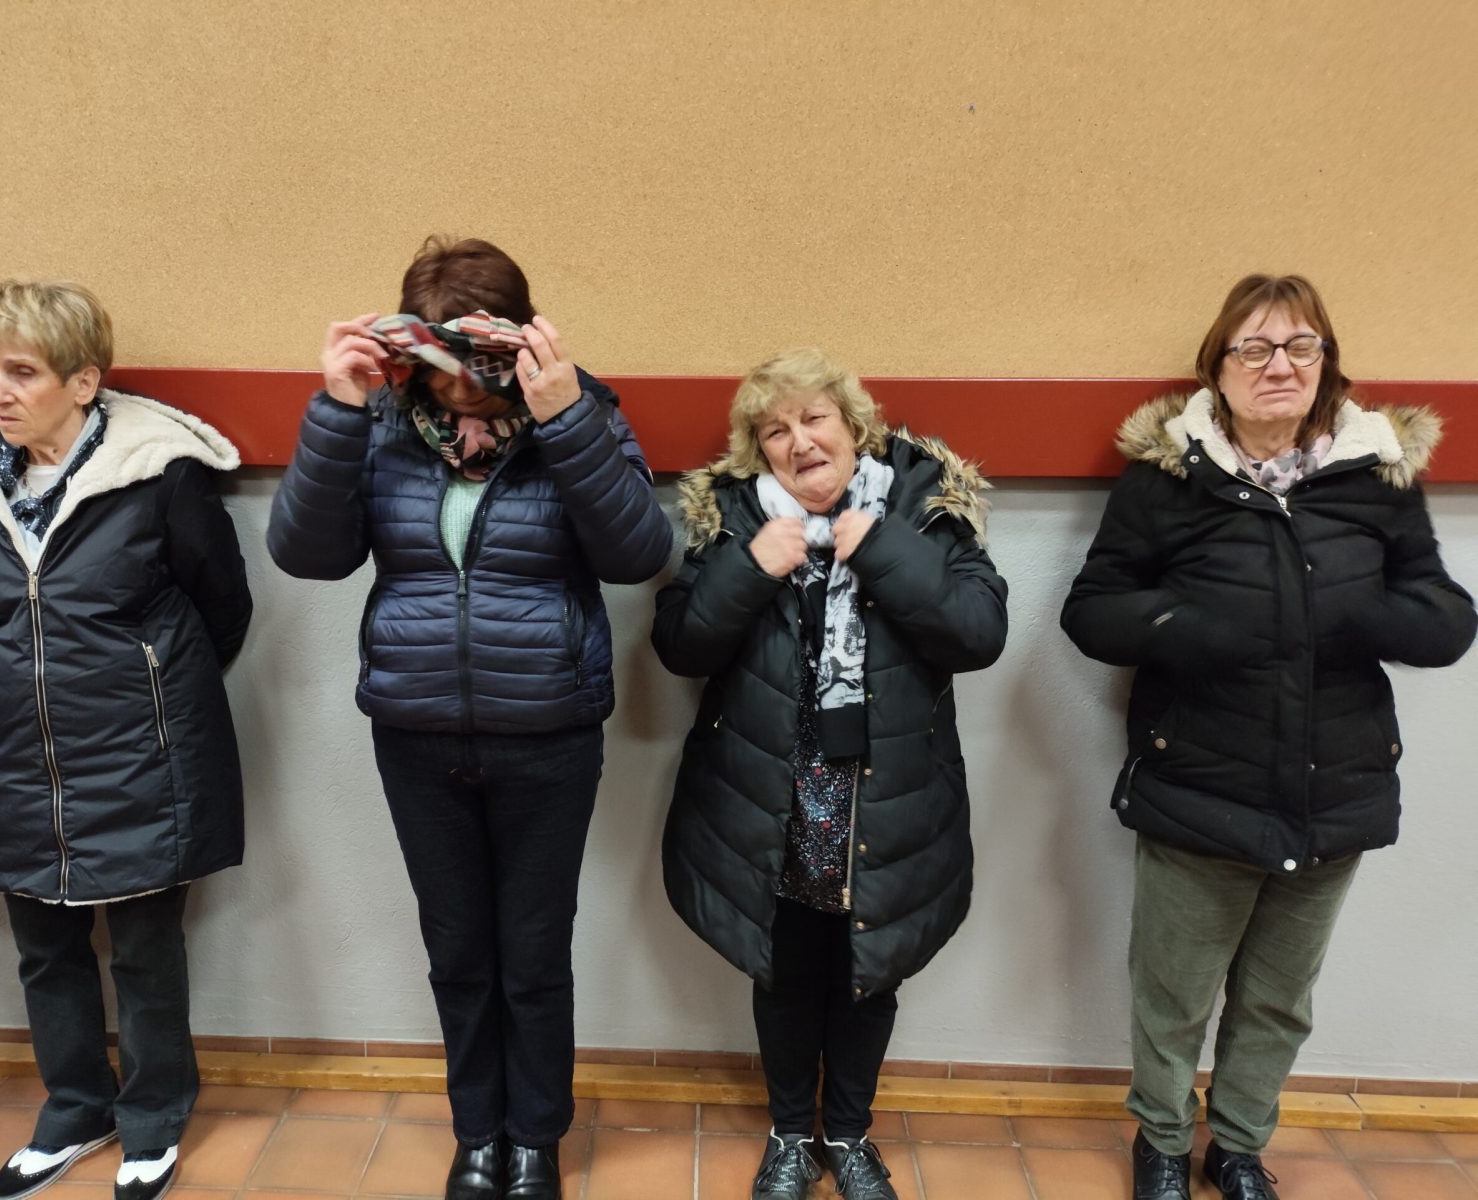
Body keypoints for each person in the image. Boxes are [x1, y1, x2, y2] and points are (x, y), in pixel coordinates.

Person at [267, 236, 672, 1200]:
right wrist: (336, 407)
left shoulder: (581, 413)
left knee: (533, 953)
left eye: (480, 358)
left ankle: (535, 1139)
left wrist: (565, 416)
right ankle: (477, 1135)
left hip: (549, 733)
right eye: (440, 360)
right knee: (457, 952)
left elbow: (636, 555)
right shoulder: (382, 427)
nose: (460, 385)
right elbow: (307, 555)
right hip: (415, 732)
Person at [1061, 274, 1475, 1200]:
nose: (1277, 365)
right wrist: (1189, 628)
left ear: (1326, 363)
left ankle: (1240, 1147)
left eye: (1299, 346)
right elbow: (1092, 610)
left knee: (1280, 998)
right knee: (1173, 994)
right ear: (1218, 368)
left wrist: (1371, 617)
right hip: (1199, 782)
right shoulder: (1167, 479)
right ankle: (1163, 1144)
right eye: (1253, 348)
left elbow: (1446, 615)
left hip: (1337, 786)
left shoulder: (1377, 479)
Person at [653, 348, 1008, 1200]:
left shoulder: (924, 507)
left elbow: (979, 632)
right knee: (782, 971)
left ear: (855, 428)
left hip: (884, 799)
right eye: (775, 430)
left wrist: (882, 551)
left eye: (815, 418)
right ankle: (789, 1136)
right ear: (759, 451)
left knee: (868, 972)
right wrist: (751, 566)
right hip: (768, 797)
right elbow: (679, 644)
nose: (800, 441)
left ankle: (848, 1136)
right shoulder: (734, 519)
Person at [0, 280, 252, 1200]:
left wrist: (148, 688)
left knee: (146, 950)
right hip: (14, 755)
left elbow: (222, 608)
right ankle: (76, 1107)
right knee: (44, 949)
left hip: (140, 754)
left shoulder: (160, 477)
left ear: (83, 382)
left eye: (22, 371)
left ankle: (153, 1116)